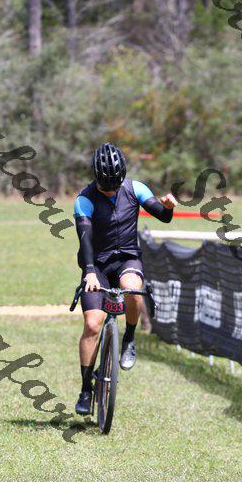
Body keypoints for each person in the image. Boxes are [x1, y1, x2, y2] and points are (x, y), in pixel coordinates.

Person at [74, 142, 177, 415]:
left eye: (114, 186)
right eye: (105, 186)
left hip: (127, 259)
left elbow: (163, 217)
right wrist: (90, 271)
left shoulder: (135, 189)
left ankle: (129, 338)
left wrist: (167, 207)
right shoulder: (84, 200)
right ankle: (85, 389)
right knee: (92, 324)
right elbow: (85, 240)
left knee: (132, 288)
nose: (110, 190)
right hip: (96, 264)